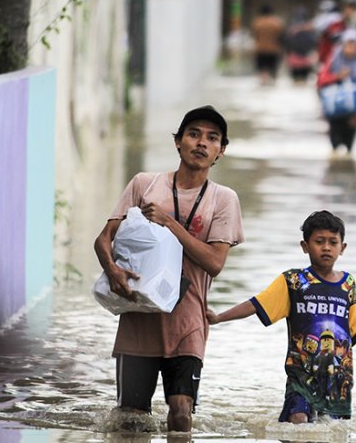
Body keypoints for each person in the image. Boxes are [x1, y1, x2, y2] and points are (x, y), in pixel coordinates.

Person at [94, 105, 245, 432]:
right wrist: (112, 270)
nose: (201, 143)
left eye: (212, 138)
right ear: (178, 142)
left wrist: (169, 223)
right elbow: (103, 239)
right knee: (130, 421)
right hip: (138, 320)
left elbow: (215, 263)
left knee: (180, 416)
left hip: (187, 322)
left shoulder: (223, 199)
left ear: (221, 151)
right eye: (193, 134)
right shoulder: (144, 184)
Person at [206, 210, 356, 422]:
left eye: (333, 242)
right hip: (301, 374)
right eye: (319, 241)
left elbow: (353, 330)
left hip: (337, 380)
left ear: (342, 248)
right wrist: (218, 318)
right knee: (298, 420)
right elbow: (256, 304)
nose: (326, 247)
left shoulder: (348, 284)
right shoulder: (293, 281)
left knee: (331, 430)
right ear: (305, 246)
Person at [317, 28, 356, 156]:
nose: (350, 49)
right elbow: (320, 81)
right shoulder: (333, 60)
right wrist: (338, 77)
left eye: (354, 45)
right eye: (348, 45)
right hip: (334, 111)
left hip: (352, 113)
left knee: (349, 150)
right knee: (335, 147)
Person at [315, 0, 356, 65]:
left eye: (354, 10)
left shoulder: (351, 25)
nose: (352, 12)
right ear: (346, 8)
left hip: (343, 57)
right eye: (351, 9)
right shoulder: (334, 19)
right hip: (328, 55)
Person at [251, 4, 286, 85]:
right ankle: (272, 84)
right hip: (274, 49)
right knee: (273, 71)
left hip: (260, 49)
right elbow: (281, 37)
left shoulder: (257, 23)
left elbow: (255, 36)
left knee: (262, 70)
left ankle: (264, 83)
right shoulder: (277, 23)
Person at [284, 5, 318, 84]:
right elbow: (314, 40)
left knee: (297, 77)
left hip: (296, 54)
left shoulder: (292, 26)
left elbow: (287, 40)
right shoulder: (309, 26)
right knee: (302, 77)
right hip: (303, 54)